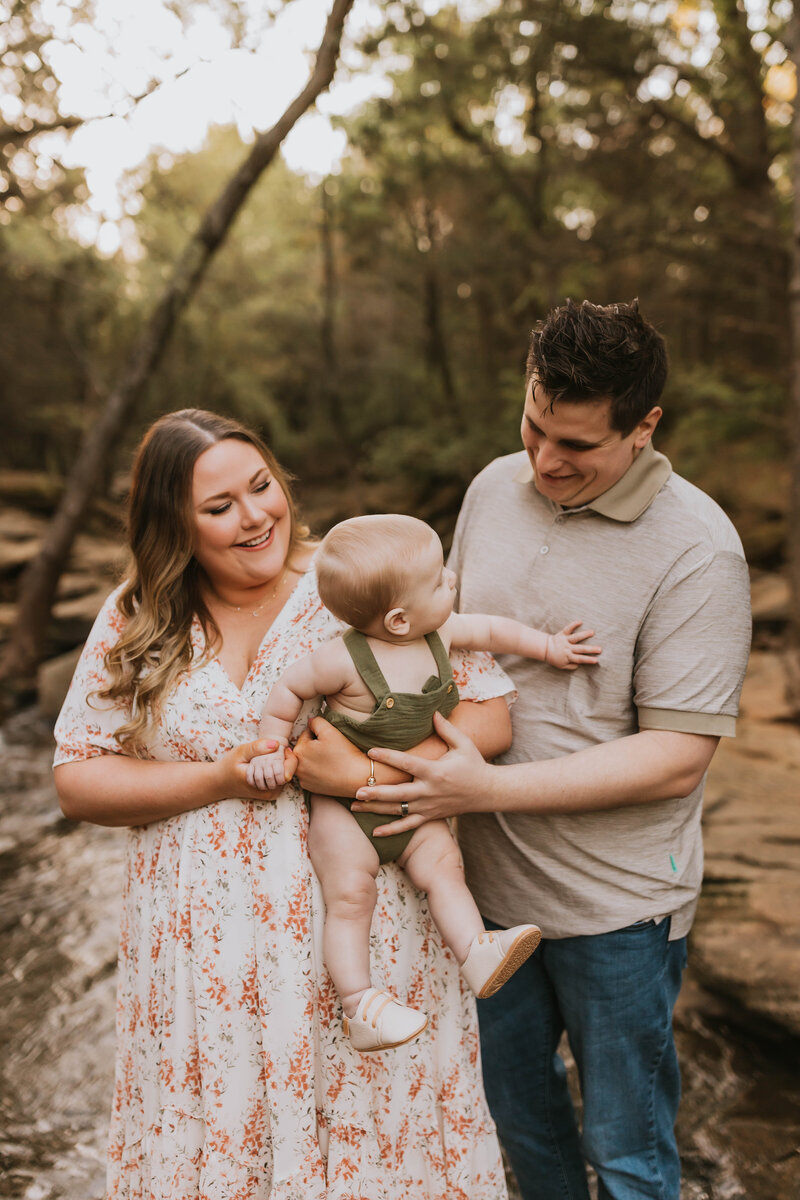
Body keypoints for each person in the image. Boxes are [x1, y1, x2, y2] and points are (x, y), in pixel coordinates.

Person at [340, 300, 752, 1200]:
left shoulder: (699, 551)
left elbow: (679, 755)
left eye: (576, 447)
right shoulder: (492, 488)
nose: (544, 461)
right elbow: (434, 640)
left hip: (619, 912)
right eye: (534, 426)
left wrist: (478, 789)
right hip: (483, 908)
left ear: (644, 427)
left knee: (628, 1152)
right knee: (520, 1131)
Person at [52, 408, 516, 1199]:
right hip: (201, 967)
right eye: (219, 506)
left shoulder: (353, 578)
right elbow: (78, 776)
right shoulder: (137, 618)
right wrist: (216, 779)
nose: (255, 515)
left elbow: (489, 713)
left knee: (376, 1152)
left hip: (364, 937)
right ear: (176, 525)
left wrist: (364, 774)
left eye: (260, 486)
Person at [247, 513, 601, 1052]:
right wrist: (270, 748)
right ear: (396, 619)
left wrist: (549, 648)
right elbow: (286, 693)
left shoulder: (439, 633)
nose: (452, 581)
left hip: (415, 805)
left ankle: (476, 952)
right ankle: (360, 1003)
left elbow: (492, 629)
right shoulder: (340, 660)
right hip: (345, 811)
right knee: (349, 897)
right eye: (439, 581)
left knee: (445, 870)